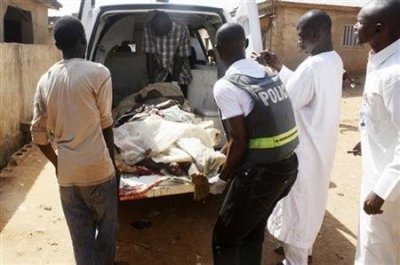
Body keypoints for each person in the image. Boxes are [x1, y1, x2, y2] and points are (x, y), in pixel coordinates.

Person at [256, 10, 343, 265]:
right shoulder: (332, 60)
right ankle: (303, 253)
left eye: (301, 35)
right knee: (309, 204)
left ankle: (296, 261)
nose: (298, 41)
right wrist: (279, 67)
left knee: (299, 207)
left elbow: (287, 100)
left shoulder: (313, 66)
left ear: (316, 33)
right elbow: (303, 88)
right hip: (320, 148)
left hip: (303, 151)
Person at [30, 16, 119, 265]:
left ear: (57, 45)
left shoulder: (45, 80)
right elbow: (106, 125)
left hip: (68, 176)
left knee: (81, 241)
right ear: (84, 41)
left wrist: (58, 164)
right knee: (107, 233)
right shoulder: (99, 73)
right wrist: (112, 166)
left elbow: (37, 135)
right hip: (98, 171)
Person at [209, 22, 299, 265]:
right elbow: (252, 129)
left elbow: (239, 141)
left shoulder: (227, 86)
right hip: (289, 167)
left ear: (218, 49)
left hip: (261, 174)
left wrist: (222, 179)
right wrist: (222, 153)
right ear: (246, 44)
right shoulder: (269, 74)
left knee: (224, 238)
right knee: (251, 230)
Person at [352, 0, 400, 264]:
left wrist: (382, 189)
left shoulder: (395, 73)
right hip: (379, 166)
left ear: (379, 29)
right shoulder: (380, 57)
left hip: (388, 186)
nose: (356, 26)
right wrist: (366, 135)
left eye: (360, 22)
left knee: (377, 249)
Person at [143, 11, 192, 97]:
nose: (158, 35)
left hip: (179, 70)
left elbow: (181, 56)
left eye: (160, 33)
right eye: (156, 32)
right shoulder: (148, 27)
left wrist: (174, 81)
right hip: (159, 71)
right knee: (155, 98)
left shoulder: (181, 28)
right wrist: (151, 82)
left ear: (169, 26)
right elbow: (149, 55)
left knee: (180, 99)